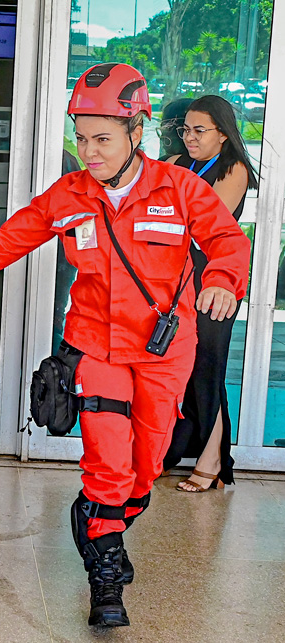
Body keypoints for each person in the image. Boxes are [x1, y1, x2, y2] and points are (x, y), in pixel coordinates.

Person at [0, 63, 250, 628]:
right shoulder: (69, 195)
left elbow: (228, 241)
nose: (89, 151)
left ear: (137, 132)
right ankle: (106, 580)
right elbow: (3, 243)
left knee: (144, 469)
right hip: (96, 347)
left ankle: (99, 520)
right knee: (108, 464)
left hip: (163, 351)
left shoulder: (180, 189)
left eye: (102, 139)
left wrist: (221, 281)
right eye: (81, 138)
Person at [162, 95, 258, 492]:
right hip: (174, 280)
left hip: (214, 282)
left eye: (199, 130)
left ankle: (214, 459)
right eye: (185, 129)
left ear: (222, 132)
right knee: (176, 367)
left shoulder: (233, 168)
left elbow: (202, 225)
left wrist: (166, 214)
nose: (190, 137)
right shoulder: (173, 165)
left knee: (206, 370)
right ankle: (172, 450)